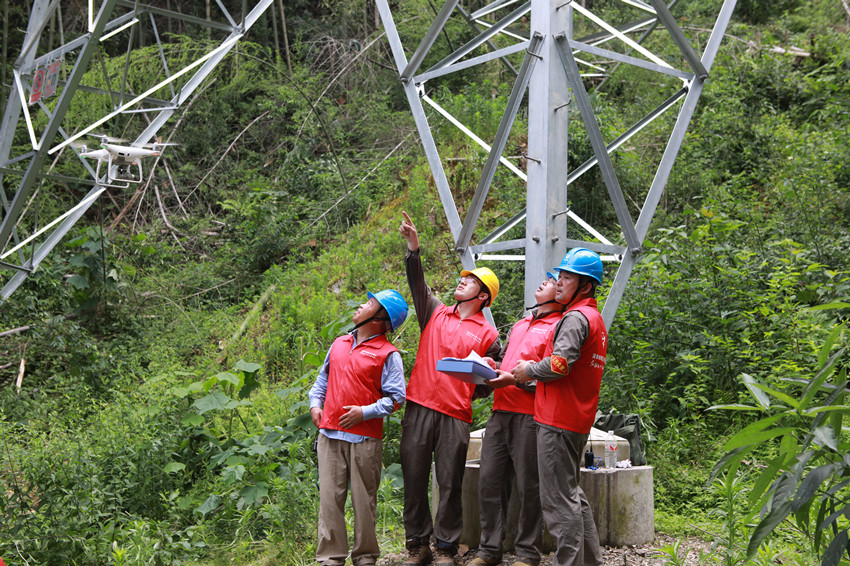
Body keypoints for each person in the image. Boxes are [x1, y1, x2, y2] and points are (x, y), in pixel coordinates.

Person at [398, 211, 502, 566]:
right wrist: (414, 250)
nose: (462, 282)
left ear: (484, 296)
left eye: (471, 281)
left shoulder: (489, 335)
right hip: (419, 405)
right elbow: (417, 282)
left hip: (455, 415)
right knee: (413, 477)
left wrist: (471, 387)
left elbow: (489, 382)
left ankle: (445, 548)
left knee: (450, 482)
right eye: (463, 278)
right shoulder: (435, 311)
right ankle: (418, 545)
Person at [512, 248, 607, 566]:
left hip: (557, 421)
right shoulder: (594, 318)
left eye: (568, 277)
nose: (560, 282)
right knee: (572, 496)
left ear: (586, 286)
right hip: (574, 419)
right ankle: (591, 562)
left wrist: (528, 369)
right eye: (561, 275)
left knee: (558, 502)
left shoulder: (575, 318)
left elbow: (560, 364)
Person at [467, 272, 567, 566]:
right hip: (500, 413)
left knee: (529, 487)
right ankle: (489, 550)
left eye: (550, 282)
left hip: (531, 416)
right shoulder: (523, 323)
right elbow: (510, 365)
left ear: (560, 294)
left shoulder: (558, 326)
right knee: (489, 483)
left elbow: (552, 374)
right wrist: (491, 365)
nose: (543, 282)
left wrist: (513, 380)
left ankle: (527, 553)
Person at [308, 289, 409, 566]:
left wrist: (364, 412)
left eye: (369, 303)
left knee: (364, 502)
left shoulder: (389, 354)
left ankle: (365, 558)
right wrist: (315, 404)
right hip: (329, 433)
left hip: (364, 439)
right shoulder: (339, 343)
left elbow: (397, 398)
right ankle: (330, 558)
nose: (361, 305)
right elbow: (321, 381)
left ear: (379, 318)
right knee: (329, 500)